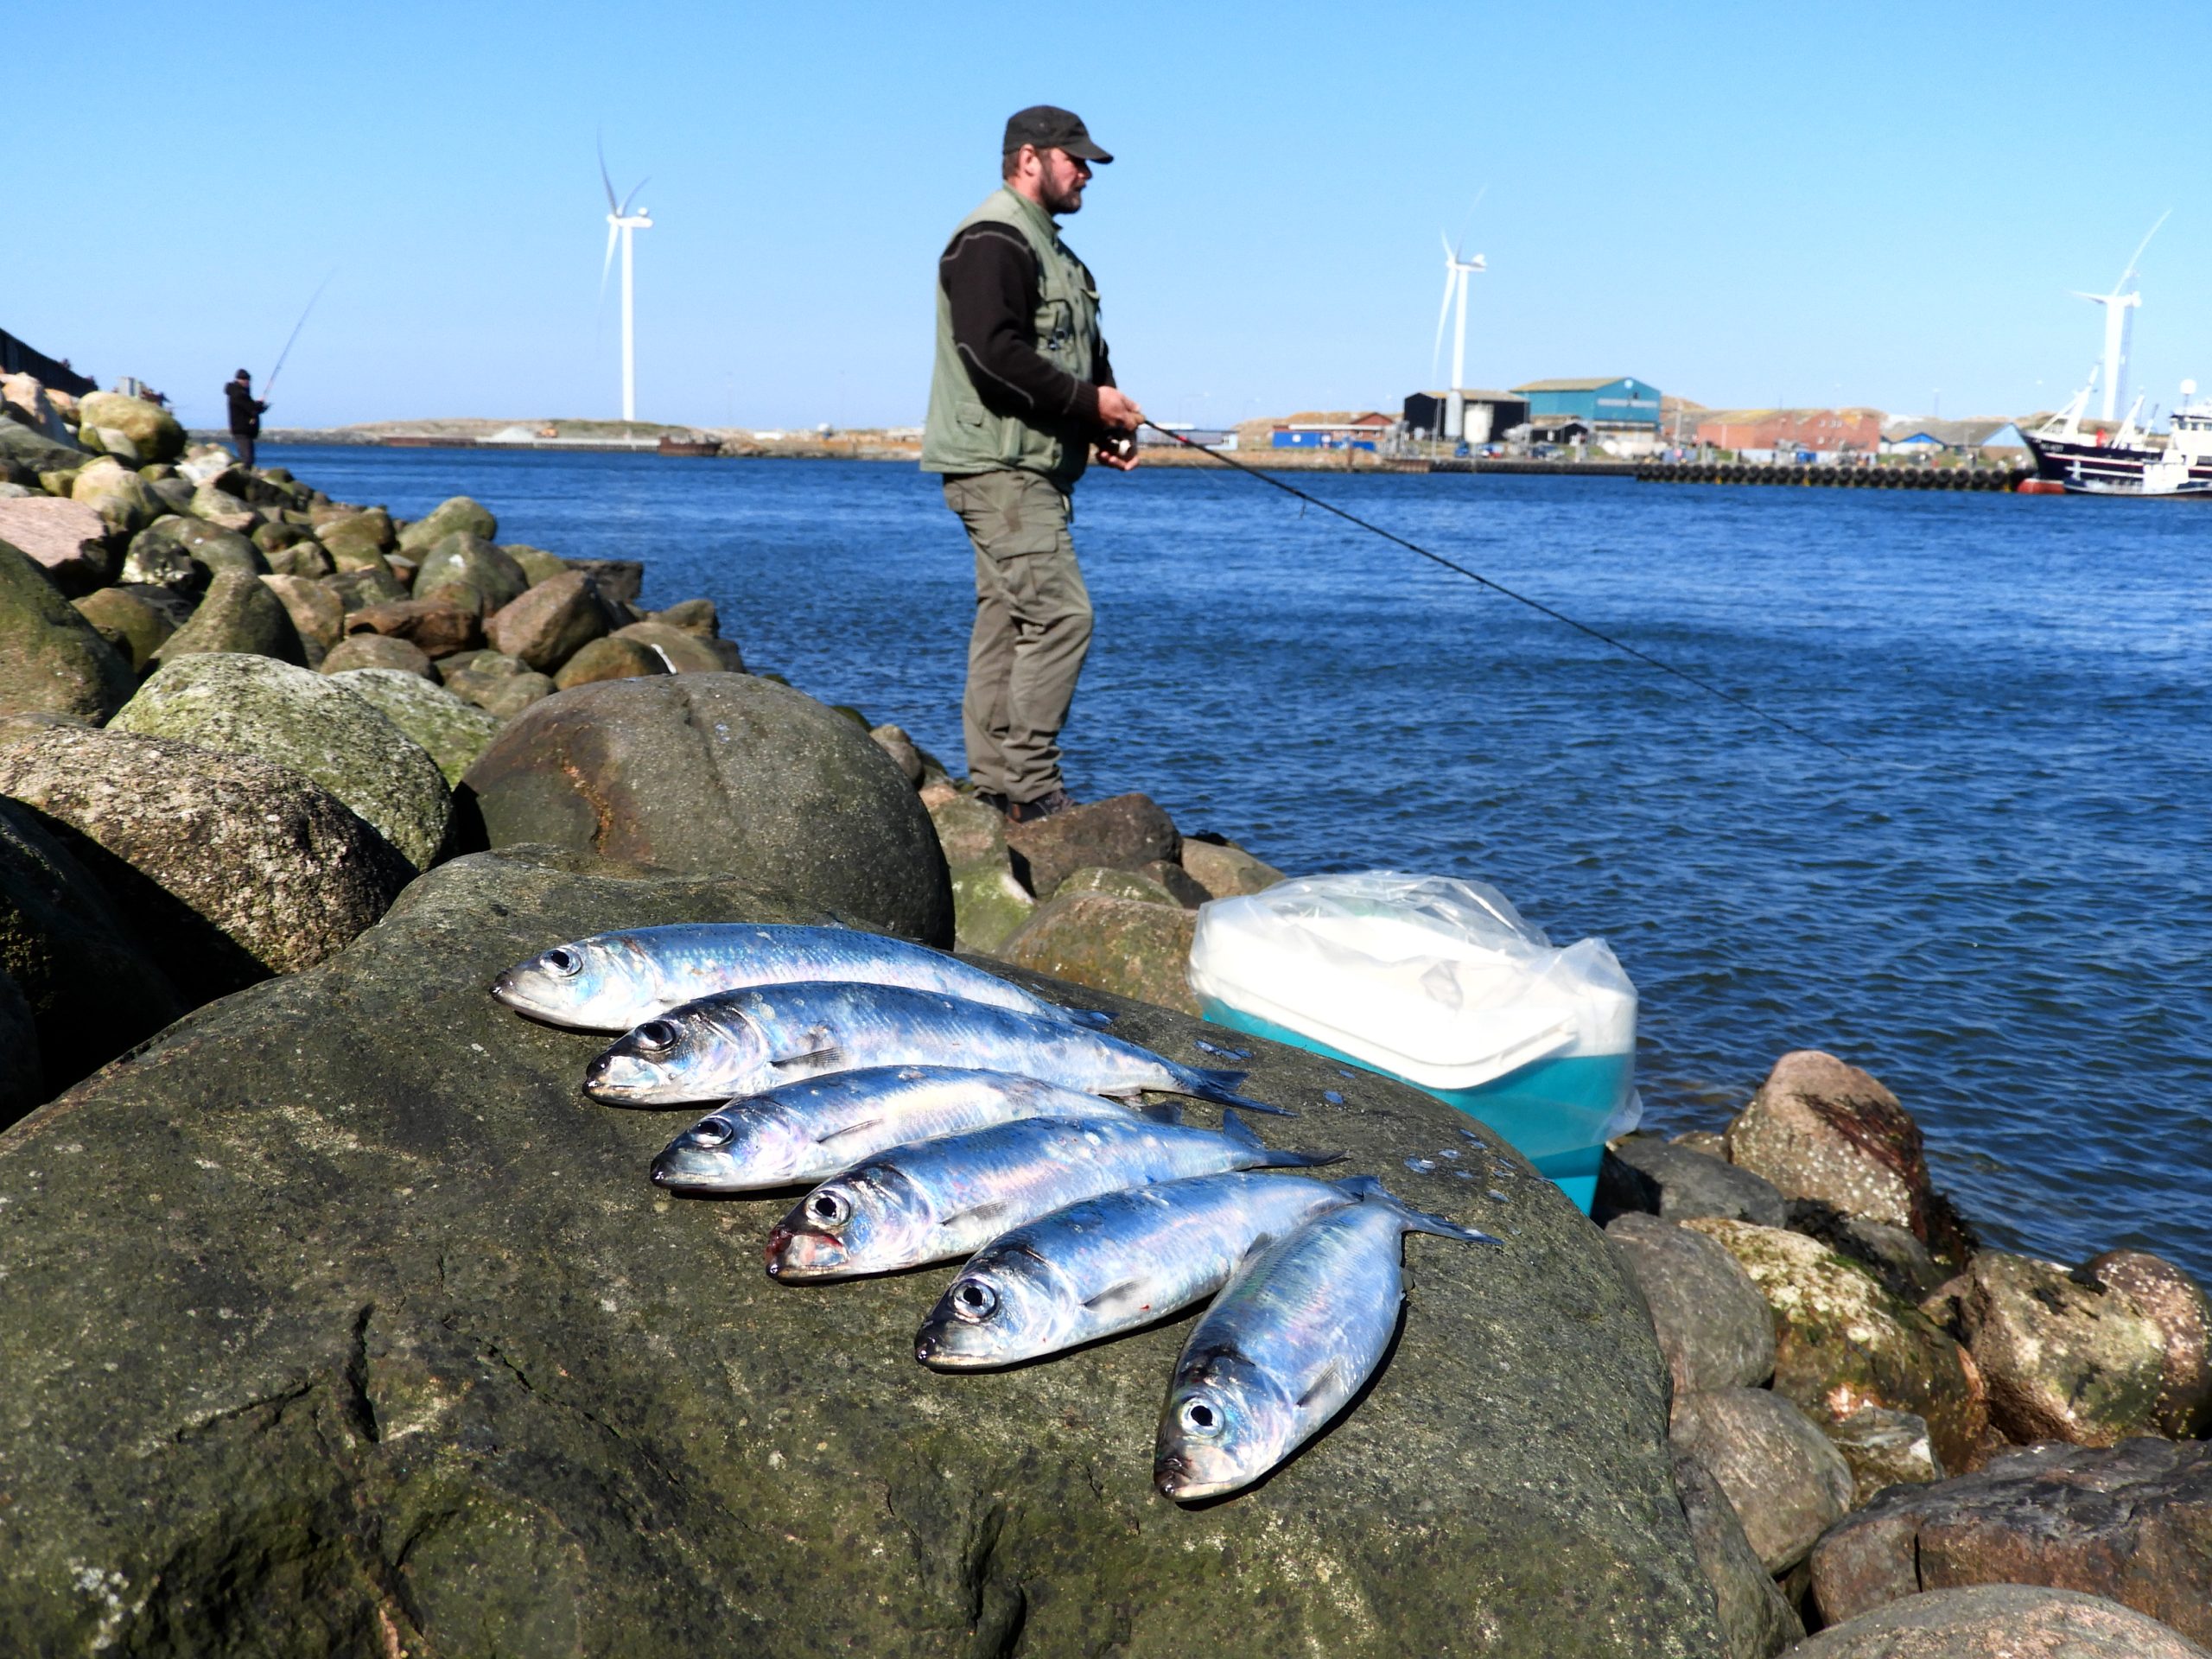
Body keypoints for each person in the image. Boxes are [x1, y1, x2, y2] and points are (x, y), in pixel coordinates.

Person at [920, 105, 1145, 824]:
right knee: (1061, 618)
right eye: (1075, 159)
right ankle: (1031, 788)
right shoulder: (992, 239)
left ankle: (991, 787)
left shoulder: (1056, 253)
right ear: (1029, 158)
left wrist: (1097, 423)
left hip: (1031, 466)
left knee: (1010, 621)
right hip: (1001, 467)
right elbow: (991, 354)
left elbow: (1075, 359)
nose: (1085, 172)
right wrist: (1088, 402)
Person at [226, 369, 268, 469]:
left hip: (245, 430)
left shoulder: (241, 393)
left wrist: (259, 407)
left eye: (248, 380)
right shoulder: (238, 393)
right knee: (247, 459)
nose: (248, 382)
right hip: (242, 430)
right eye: (245, 380)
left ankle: (237, 470)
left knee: (248, 457)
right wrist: (259, 406)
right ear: (239, 380)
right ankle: (241, 476)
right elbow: (250, 407)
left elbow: (250, 407)